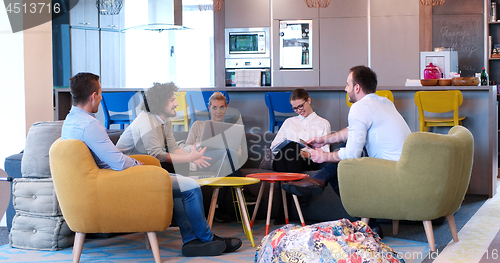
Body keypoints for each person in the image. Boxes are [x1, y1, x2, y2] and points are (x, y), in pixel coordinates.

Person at [62, 74, 241, 257]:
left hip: (121, 174)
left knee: (181, 186)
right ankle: (206, 239)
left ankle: (192, 241)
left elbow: (168, 148)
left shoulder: (72, 121)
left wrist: (191, 156)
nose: (101, 97)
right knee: (190, 186)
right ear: (93, 96)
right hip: (121, 177)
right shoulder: (93, 125)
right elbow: (122, 159)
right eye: (100, 93)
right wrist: (139, 164)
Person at [281, 66, 411, 234]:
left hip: (389, 174)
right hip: (402, 169)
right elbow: (353, 131)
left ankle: (368, 223)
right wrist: (323, 140)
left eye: (347, 84)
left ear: (357, 88)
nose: (345, 89)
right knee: (340, 161)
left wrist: (324, 156)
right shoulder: (384, 102)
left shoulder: (359, 108)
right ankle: (321, 180)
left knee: (342, 167)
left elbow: (351, 155)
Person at [182, 91, 252, 222]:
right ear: (209, 108)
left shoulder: (232, 129)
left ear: (226, 108)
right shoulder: (198, 125)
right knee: (229, 153)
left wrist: (227, 150)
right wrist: (196, 147)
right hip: (204, 160)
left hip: (223, 162)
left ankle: (217, 206)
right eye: (214, 107)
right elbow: (186, 147)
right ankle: (242, 191)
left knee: (228, 156)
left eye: (221, 107)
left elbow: (240, 156)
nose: (218, 111)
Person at [270, 88, 331, 173]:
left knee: (293, 148)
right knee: (290, 148)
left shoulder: (323, 123)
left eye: (301, 106)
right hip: (283, 158)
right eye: (295, 108)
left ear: (308, 100)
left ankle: (285, 185)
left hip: (307, 160)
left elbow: (325, 152)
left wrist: (304, 154)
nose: (299, 110)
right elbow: (274, 147)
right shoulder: (289, 122)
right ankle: (293, 184)